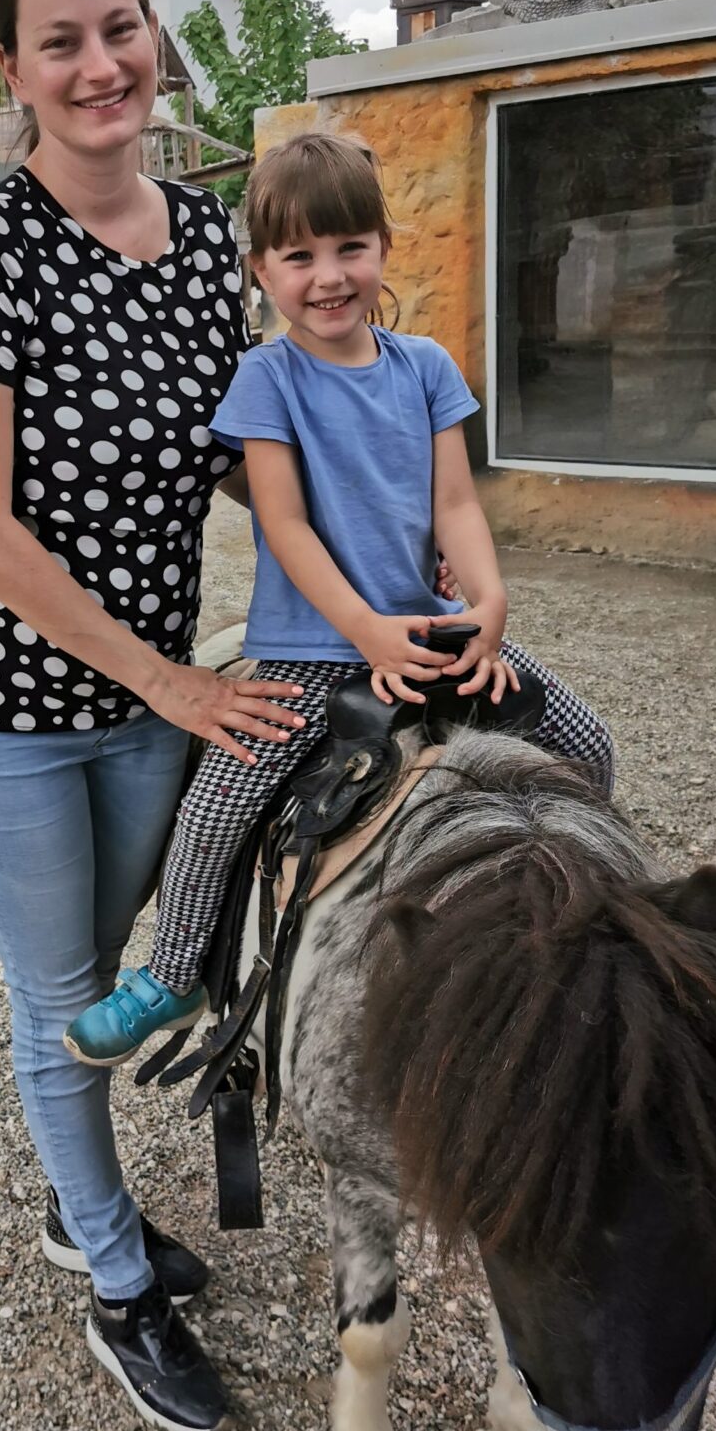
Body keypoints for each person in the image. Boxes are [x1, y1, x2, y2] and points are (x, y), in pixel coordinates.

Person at [0, 0, 310, 1431]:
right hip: (4, 693)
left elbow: (242, 462)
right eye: (60, 40)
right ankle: (115, 1276)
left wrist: (379, 550)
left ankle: (94, 1206)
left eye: (120, 29)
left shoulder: (209, 237)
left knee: (143, 963)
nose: (99, 65)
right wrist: (174, 684)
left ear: (154, 37)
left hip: (149, 690)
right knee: (61, 987)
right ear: (14, 67)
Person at [64, 133, 616, 1066]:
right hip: (312, 647)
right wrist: (365, 631)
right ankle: (175, 970)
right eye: (299, 256)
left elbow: (454, 505)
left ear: (383, 249)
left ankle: (594, 912)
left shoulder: (428, 368)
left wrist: (489, 603)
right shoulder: (267, 378)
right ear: (261, 271)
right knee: (216, 808)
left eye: (350, 247)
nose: (329, 276)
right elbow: (284, 526)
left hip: (434, 635)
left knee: (589, 744)